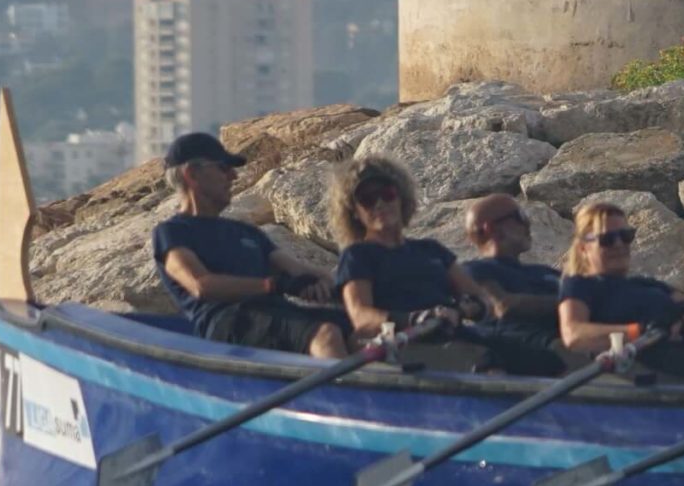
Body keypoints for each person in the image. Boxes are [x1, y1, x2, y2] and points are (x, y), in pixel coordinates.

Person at [149, 131, 350, 360]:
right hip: (229, 323)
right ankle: (342, 394)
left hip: (276, 314)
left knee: (361, 330)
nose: (233, 176)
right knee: (325, 334)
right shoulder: (173, 233)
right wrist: (273, 285)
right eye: (223, 168)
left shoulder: (247, 232)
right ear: (192, 174)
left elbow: (298, 269)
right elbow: (200, 285)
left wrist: (335, 286)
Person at [558, 200, 684, 382]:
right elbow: (574, 335)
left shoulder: (649, 285)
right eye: (608, 240)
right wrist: (638, 330)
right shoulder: (579, 284)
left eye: (625, 236)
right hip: (647, 364)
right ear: (584, 248)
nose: (619, 245)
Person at [326, 155, 491, 350]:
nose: (379, 204)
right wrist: (413, 319)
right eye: (367, 199)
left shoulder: (431, 250)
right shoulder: (357, 255)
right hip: (404, 346)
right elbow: (361, 316)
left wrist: (461, 310)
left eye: (386, 194)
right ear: (354, 211)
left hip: (453, 338)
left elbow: (479, 298)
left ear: (400, 197)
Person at [459, 193, 568, 376]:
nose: (528, 225)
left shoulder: (547, 273)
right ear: (490, 228)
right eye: (520, 217)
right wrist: (571, 305)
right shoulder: (474, 270)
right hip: (523, 350)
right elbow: (502, 305)